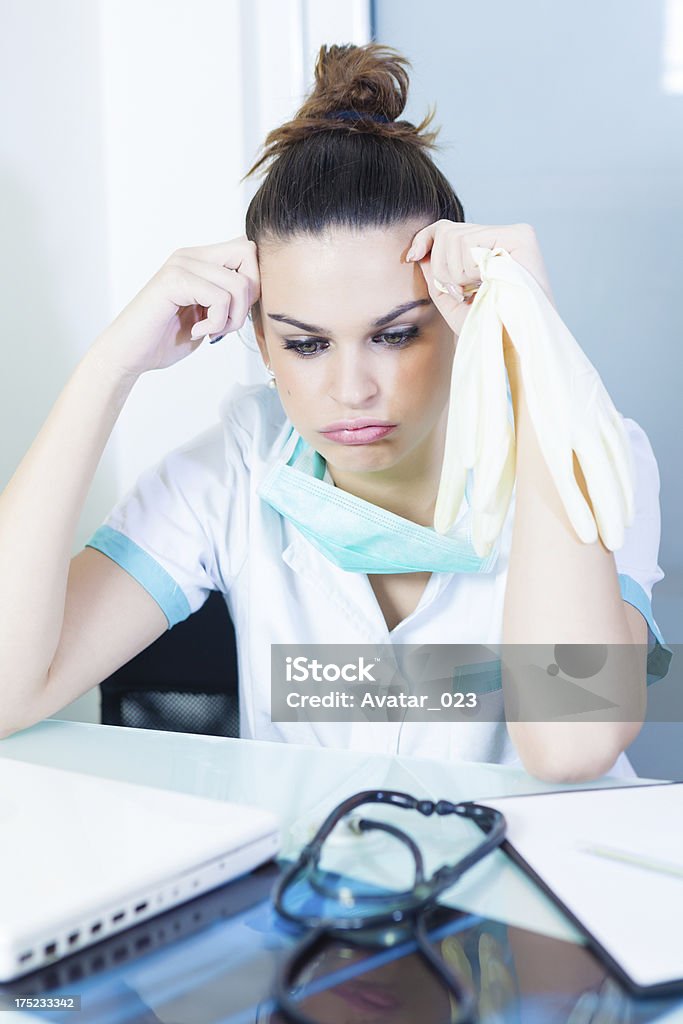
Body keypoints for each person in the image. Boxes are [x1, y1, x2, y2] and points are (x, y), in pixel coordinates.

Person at [0, 43, 669, 781]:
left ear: (458, 317)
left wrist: (534, 358)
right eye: (307, 344)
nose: (352, 389)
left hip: (551, 884)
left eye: (394, 334)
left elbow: (571, 743)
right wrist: (108, 368)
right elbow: (6, 692)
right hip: (323, 888)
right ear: (261, 340)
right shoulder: (235, 466)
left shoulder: (590, 451)